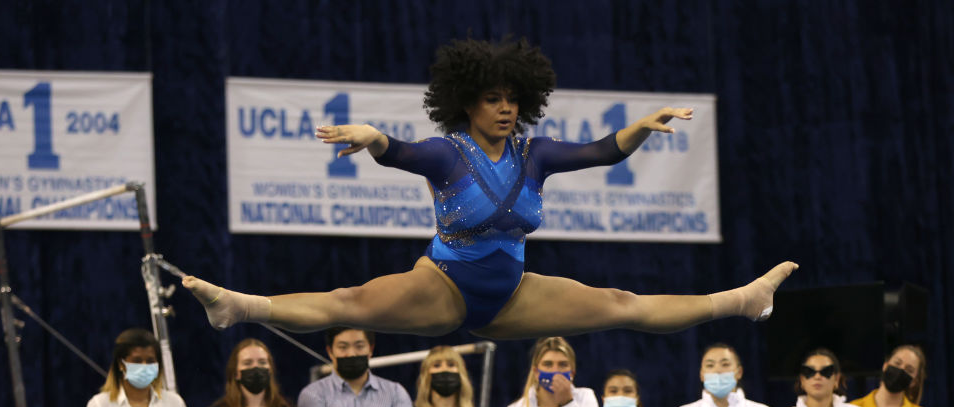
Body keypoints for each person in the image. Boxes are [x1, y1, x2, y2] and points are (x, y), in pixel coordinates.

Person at [182, 37, 797, 339]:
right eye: (492, 98)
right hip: (445, 285)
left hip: (513, 294)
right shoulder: (447, 156)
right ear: (466, 102)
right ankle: (241, 306)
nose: (505, 109)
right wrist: (372, 138)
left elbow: (602, 152)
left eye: (512, 100)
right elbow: (399, 152)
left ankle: (742, 300)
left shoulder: (537, 154)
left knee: (620, 306)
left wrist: (639, 128)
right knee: (350, 301)